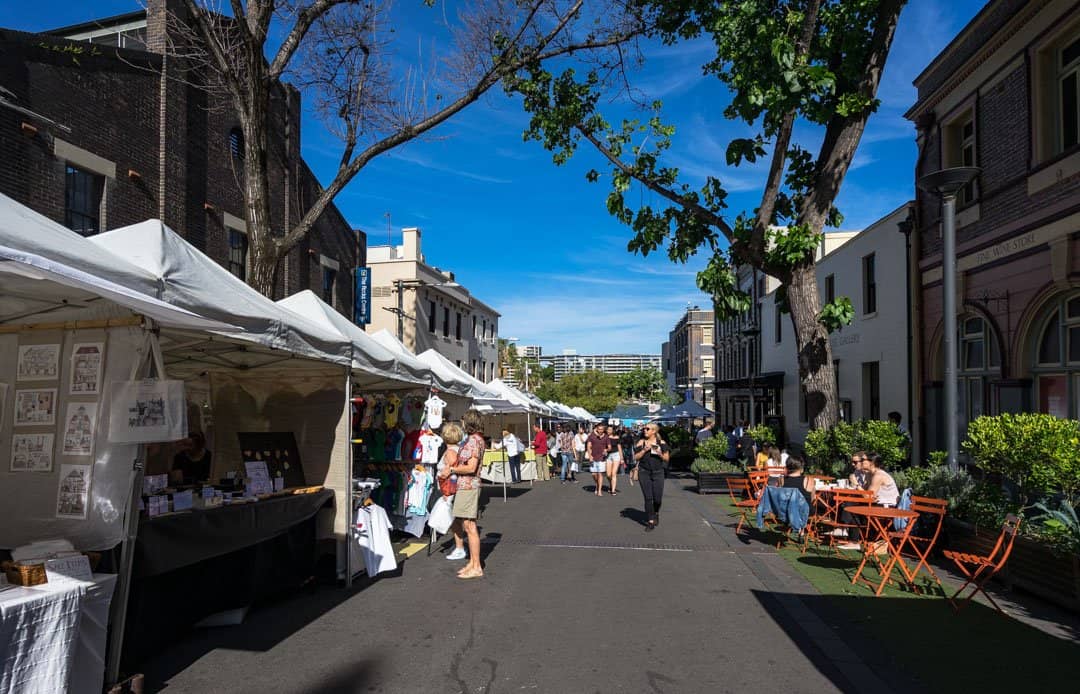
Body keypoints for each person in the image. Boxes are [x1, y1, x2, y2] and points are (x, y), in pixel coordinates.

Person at [446, 411, 485, 578]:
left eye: (463, 421)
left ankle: (476, 567)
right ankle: (472, 562)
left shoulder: (474, 441)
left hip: (469, 485)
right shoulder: (473, 440)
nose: (461, 424)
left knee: (470, 526)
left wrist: (452, 469)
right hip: (466, 485)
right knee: (468, 525)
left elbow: (471, 467)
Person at [837, 454, 900, 551]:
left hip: (887, 508)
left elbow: (867, 496)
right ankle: (845, 531)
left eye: (863, 460)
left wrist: (856, 483)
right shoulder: (871, 474)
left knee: (852, 506)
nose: (860, 462)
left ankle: (850, 537)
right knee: (850, 503)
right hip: (877, 504)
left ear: (872, 462)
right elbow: (866, 493)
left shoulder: (879, 475)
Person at [438, 422, 467, 561]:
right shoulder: (458, 449)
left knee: (453, 520)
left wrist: (442, 476)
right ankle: (459, 546)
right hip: (454, 489)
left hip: (450, 489)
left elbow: (451, 471)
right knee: (456, 520)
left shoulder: (450, 452)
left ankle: (459, 547)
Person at [633, 423, 670, 531]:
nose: (645, 430)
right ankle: (650, 520)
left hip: (658, 472)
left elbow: (667, 459)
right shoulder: (641, 442)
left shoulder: (661, 443)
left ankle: (656, 512)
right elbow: (636, 457)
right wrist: (644, 450)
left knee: (657, 499)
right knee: (648, 498)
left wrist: (660, 454)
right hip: (644, 472)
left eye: (647, 429)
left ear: (654, 431)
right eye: (644, 428)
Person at [586, 423, 612, 497]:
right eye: (599, 429)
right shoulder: (592, 436)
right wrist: (590, 456)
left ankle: (599, 491)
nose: (600, 431)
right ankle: (597, 484)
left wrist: (606, 450)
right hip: (593, 457)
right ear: (597, 429)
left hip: (602, 458)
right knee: (594, 474)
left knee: (600, 474)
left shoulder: (606, 437)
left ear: (604, 430)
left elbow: (609, 447)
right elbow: (588, 446)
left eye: (602, 429)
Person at [605, 426, 622, 497]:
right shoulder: (605, 437)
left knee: (613, 473)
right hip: (608, 456)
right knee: (608, 475)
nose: (608, 431)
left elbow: (619, 448)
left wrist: (622, 458)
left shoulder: (616, 437)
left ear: (613, 431)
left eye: (610, 430)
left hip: (616, 455)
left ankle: (613, 490)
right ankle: (611, 484)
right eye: (607, 429)